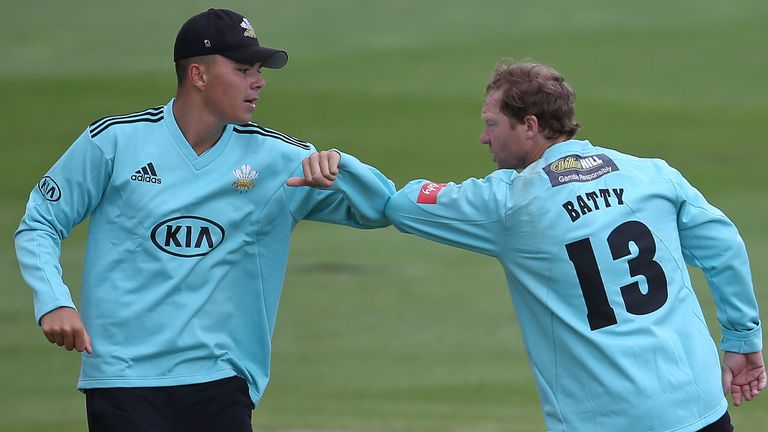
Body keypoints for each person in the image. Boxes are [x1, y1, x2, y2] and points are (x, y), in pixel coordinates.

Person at [14, 8, 394, 432]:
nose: (259, 81)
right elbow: (41, 222)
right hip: (123, 379)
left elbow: (381, 208)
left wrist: (343, 168)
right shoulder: (114, 142)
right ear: (198, 75)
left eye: (259, 70)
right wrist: (54, 300)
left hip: (221, 379)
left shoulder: (276, 159)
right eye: (243, 69)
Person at [384, 60, 765, 431]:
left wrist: (330, 168)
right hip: (698, 408)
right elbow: (724, 247)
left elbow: (398, 205)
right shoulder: (652, 174)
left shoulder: (512, 203)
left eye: (491, 124)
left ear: (530, 125)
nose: (484, 137)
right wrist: (742, 339)